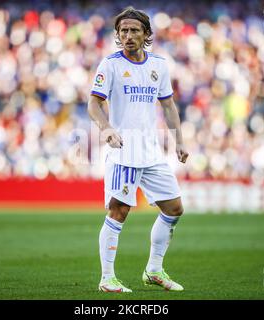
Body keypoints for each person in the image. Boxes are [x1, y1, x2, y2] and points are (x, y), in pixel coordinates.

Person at [87, 6, 189, 293]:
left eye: (134, 30)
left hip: (152, 151)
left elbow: (168, 105)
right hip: (123, 151)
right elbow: (93, 103)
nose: (128, 35)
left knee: (174, 208)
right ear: (118, 35)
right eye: (123, 31)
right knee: (119, 211)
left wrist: (179, 140)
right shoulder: (110, 65)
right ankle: (107, 278)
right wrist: (106, 128)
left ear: (146, 34)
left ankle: (154, 270)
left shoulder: (159, 65)